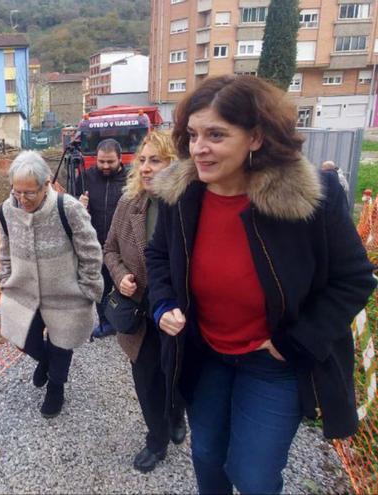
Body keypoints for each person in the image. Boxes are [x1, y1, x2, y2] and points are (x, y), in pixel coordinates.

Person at [145, 74, 376, 494]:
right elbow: (158, 257)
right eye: (193, 134)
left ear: (255, 137)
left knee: (253, 476)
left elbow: (355, 279)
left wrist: (297, 342)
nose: (199, 147)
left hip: (273, 363)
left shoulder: (308, 198)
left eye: (216, 134)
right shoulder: (181, 197)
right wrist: (162, 304)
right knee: (208, 458)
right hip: (207, 352)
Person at [103, 130, 187, 473]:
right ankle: (157, 438)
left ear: (174, 164)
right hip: (138, 312)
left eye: (156, 160)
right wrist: (120, 275)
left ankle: (177, 412)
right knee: (146, 379)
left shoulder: (186, 206)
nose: (147, 168)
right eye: (143, 160)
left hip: (178, 313)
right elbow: (109, 249)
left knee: (176, 375)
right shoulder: (129, 203)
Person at [0, 151, 104, 418]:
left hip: (65, 295)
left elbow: (90, 251)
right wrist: (4, 277)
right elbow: (4, 249)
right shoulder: (7, 210)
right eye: (17, 192)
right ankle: (44, 360)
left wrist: (88, 288)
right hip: (23, 293)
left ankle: (56, 388)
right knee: (23, 338)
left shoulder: (67, 208)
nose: (23, 199)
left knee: (61, 343)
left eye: (29, 193)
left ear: (46, 184)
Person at [79, 138, 129, 339]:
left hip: (123, 247)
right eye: (101, 162)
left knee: (124, 285)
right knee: (100, 286)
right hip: (96, 244)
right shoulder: (86, 177)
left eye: (110, 162)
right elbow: (70, 207)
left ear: (120, 159)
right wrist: (78, 204)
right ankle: (106, 323)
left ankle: (127, 321)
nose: (105, 166)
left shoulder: (131, 179)